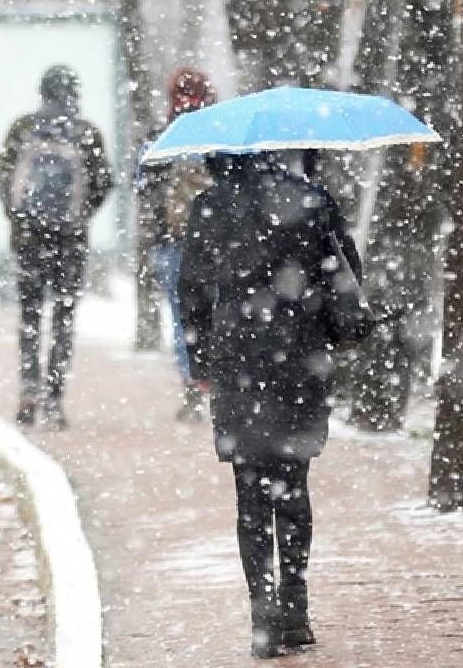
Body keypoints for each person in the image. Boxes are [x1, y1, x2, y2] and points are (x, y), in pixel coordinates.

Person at [178, 154, 362, 659]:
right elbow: (346, 273)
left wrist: (199, 361)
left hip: (237, 355)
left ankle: (262, 610)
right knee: (293, 482)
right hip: (299, 355)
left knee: (249, 487)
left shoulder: (209, 205)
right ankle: (296, 607)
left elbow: (191, 288)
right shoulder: (310, 199)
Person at [0, 65, 114, 431]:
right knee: (64, 318)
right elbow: (105, 181)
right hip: (69, 242)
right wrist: (79, 216)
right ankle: (55, 397)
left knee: (30, 317)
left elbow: (2, 174)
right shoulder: (86, 133)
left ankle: (28, 391)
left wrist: (18, 216)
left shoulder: (23, 128)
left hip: (28, 239)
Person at [135, 68, 217, 422]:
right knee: (218, 313)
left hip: (173, 243)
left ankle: (192, 383)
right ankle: (219, 381)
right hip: (216, 244)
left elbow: (142, 184)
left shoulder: (160, 137)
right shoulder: (220, 136)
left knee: (183, 318)